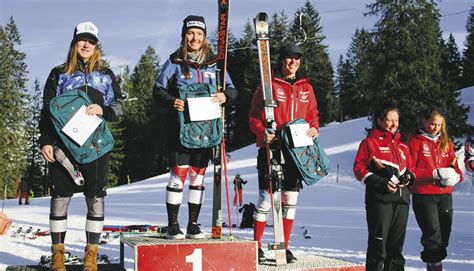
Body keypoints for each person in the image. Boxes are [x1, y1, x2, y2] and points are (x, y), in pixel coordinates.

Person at [39, 22, 124, 271]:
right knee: (60, 197)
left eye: (91, 41)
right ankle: (58, 256)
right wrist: (45, 141)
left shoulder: (106, 75)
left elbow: (120, 105)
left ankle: (91, 255)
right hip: (63, 147)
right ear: (74, 43)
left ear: (96, 46)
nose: (86, 45)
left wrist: (104, 109)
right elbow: (46, 110)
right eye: (81, 40)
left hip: (96, 148)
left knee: (95, 198)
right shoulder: (58, 73)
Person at [153, 15, 237, 240]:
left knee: (198, 177)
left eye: (199, 34)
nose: (195, 38)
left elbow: (232, 89)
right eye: (191, 33)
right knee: (178, 176)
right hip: (179, 128)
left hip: (205, 130)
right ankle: (173, 225)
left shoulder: (215, 63)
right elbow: (157, 90)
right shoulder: (174, 62)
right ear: (184, 36)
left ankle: (192, 225)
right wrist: (172, 101)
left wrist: (224, 96)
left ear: (204, 37)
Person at [249, 43, 319, 263]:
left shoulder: (306, 87)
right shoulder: (268, 85)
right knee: (266, 200)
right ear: (281, 61)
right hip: (271, 148)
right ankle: (257, 246)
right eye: (289, 58)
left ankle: (284, 247)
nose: (293, 62)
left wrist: (314, 128)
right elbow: (253, 117)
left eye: (297, 59)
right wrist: (263, 132)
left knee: (290, 198)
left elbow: (313, 114)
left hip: (296, 151)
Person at [353, 105, 414, 271]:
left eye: (396, 120)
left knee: (396, 248)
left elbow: (410, 169)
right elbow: (359, 169)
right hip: (380, 201)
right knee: (378, 247)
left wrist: (409, 177)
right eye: (389, 120)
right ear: (380, 121)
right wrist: (380, 183)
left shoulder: (403, 147)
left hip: (402, 201)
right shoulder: (370, 143)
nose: (394, 124)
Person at [407, 108, 463, 271]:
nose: (435, 128)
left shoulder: (446, 142)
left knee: (444, 236)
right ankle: (436, 267)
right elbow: (410, 170)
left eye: (439, 125)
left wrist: (455, 177)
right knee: (433, 235)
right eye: (432, 124)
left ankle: (433, 264)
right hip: (424, 194)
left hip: (445, 195)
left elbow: (456, 168)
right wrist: (433, 173)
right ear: (425, 121)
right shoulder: (415, 141)